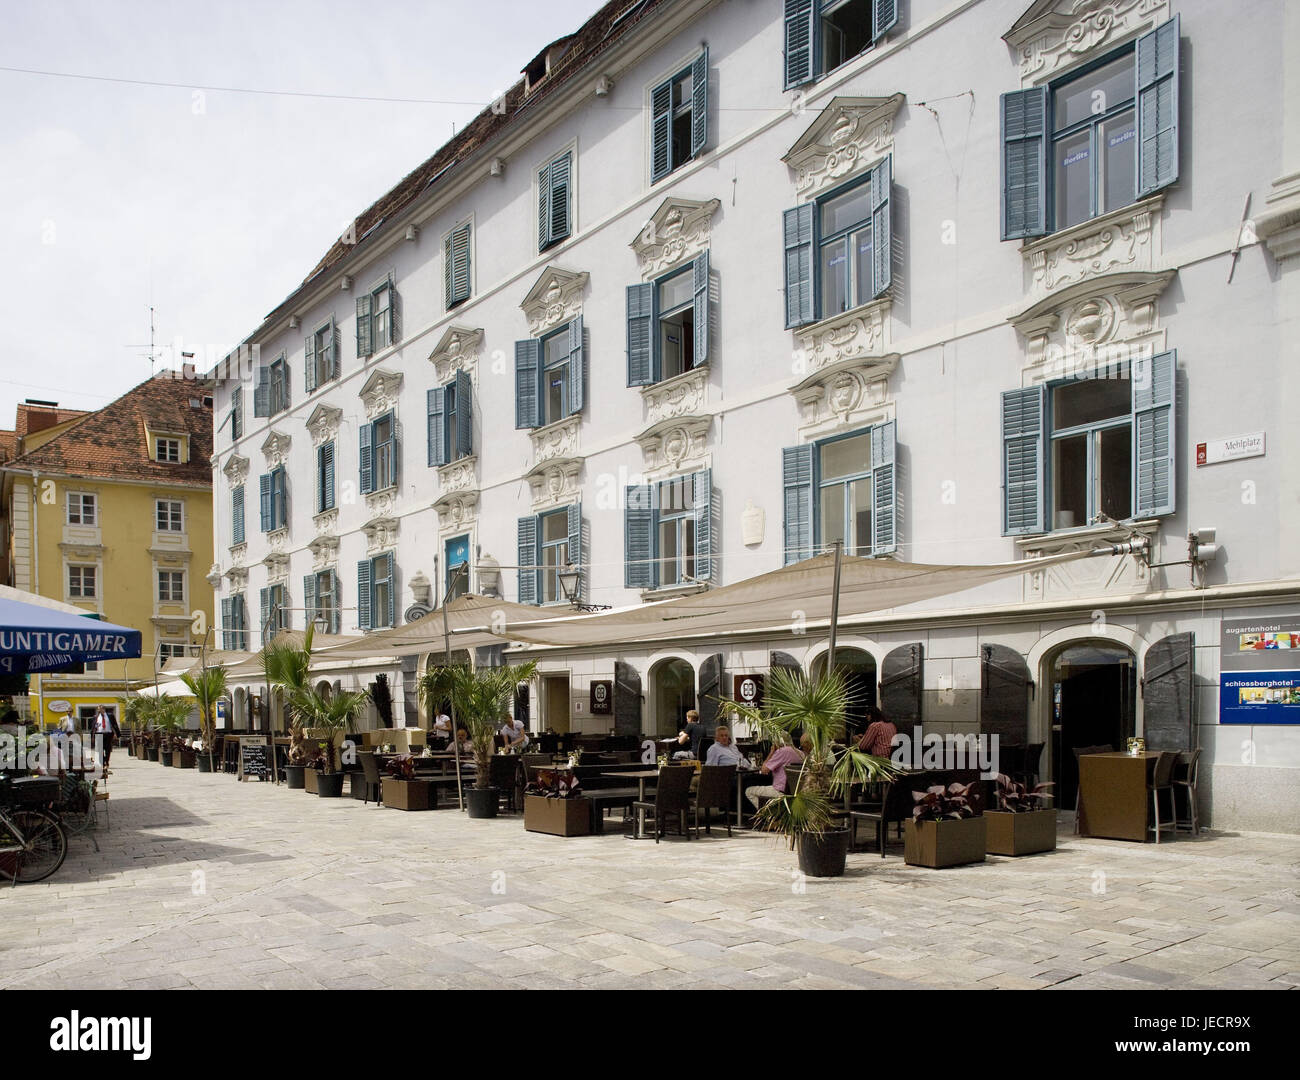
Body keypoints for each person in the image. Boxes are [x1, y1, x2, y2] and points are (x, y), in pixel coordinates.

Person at [745, 734, 810, 811]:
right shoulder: (801, 753)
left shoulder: (782, 751)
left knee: (749, 791)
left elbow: (763, 770)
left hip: (780, 791)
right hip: (794, 792)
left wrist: (772, 752)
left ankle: (770, 816)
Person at [91, 705, 121, 779]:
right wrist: (92, 736)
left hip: (108, 734)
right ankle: (102, 763)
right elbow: (93, 726)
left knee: (108, 749)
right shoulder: (96, 717)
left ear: (104, 709)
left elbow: (114, 724)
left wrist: (117, 734)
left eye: (100, 709)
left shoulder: (110, 716)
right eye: (98, 709)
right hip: (99, 734)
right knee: (99, 750)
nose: (99, 711)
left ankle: (106, 762)